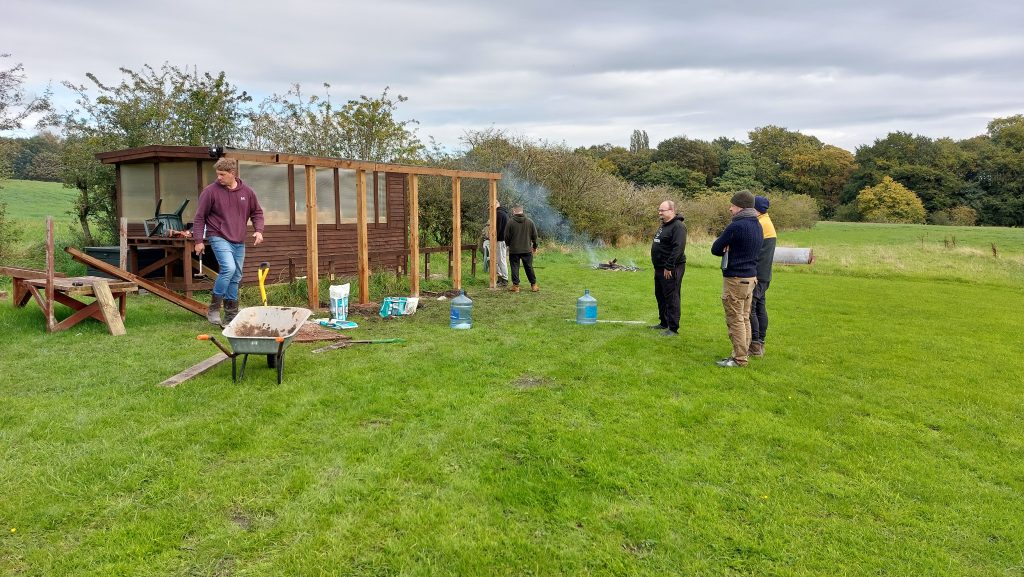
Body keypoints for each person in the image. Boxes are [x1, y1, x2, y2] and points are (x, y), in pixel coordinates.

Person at [193, 157, 265, 325]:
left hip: (238, 239)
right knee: (229, 268)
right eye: (217, 174)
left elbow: (257, 213)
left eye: (222, 174)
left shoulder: (247, 193)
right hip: (218, 235)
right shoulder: (210, 191)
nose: (218, 177)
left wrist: (259, 231)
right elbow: (199, 218)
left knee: (236, 275)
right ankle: (214, 309)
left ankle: (231, 315)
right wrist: (198, 240)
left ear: (232, 173)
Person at [710, 190, 762, 367]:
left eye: (732, 205)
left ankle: (739, 358)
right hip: (751, 278)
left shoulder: (736, 226)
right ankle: (743, 352)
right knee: (745, 317)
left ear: (740, 207)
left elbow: (716, 248)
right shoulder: (757, 224)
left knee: (735, 319)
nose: (730, 209)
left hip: (736, 279)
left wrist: (728, 247)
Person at [649, 200, 687, 336]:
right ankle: (663, 322)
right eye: (659, 210)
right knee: (660, 295)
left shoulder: (678, 226)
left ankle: (673, 328)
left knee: (671, 296)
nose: (659, 213)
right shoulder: (664, 225)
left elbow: (678, 248)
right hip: (659, 267)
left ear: (672, 211)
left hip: (671, 268)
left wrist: (669, 266)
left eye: (662, 210)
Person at [749, 196, 777, 357]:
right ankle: (760, 342)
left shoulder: (760, 224)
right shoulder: (766, 221)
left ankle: (755, 344)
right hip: (764, 274)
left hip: (757, 274)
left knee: (751, 308)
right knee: (760, 307)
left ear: (756, 209)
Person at [503, 205, 539, 293]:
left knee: (514, 267)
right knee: (529, 267)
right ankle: (534, 285)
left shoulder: (510, 222)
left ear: (514, 211)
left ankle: (516, 286)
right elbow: (535, 236)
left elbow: (506, 236)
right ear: (522, 211)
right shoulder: (530, 222)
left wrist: (508, 245)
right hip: (527, 249)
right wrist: (534, 246)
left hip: (514, 249)